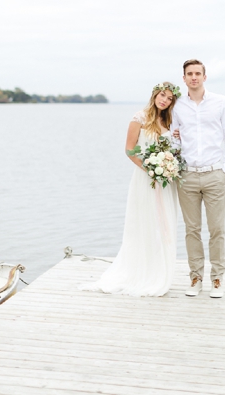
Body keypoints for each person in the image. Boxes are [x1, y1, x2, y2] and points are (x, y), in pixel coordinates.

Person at [81, 82, 181, 296]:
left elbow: (173, 148)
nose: (164, 100)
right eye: (162, 95)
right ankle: (142, 272)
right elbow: (129, 150)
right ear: (155, 94)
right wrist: (151, 168)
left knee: (164, 224)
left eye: (169, 98)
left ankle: (160, 270)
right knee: (146, 223)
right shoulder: (140, 118)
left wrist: (167, 165)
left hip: (165, 181)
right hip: (146, 179)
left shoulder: (169, 120)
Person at [171, 59, 225, 298]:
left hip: (214, 175)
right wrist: (173, 137)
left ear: (204, 77)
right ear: (184, 78)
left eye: (198, 73)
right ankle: (195, 277)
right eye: (189, 74)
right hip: (187, 176)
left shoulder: (221, 102)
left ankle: (217, 279)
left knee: (217, 229)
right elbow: (174, 140)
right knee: (192, 230)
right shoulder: (177, 106)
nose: (194, 77)